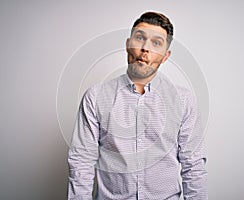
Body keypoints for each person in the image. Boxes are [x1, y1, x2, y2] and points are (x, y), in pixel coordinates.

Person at [68, 11, 207, 200]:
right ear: (128, 44)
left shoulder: (183, 100)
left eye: (156, 43)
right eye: (140, 38)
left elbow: (193, 164)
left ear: (166, 56)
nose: (145, 49)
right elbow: (81, 162)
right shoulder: (95, 97)